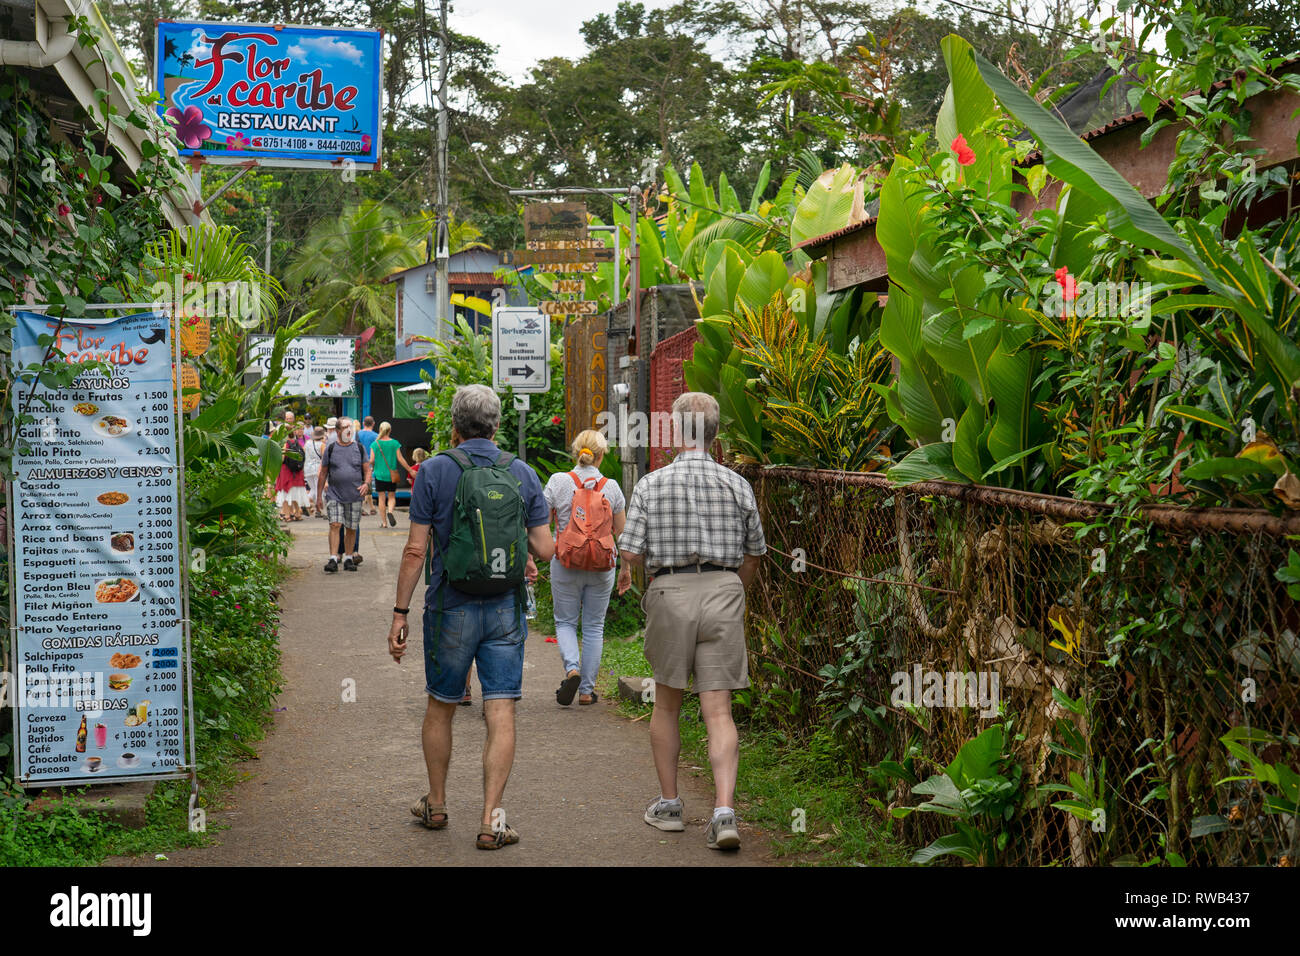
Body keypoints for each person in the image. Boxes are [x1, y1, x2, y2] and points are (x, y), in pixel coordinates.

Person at [388, 384, 554, 850]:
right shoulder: (521, 473)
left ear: (455, 426)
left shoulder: (434, 471)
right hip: (504, 607)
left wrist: (400, 613)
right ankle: (490, 820)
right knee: (500, 710)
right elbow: (544, 547)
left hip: (450, 607)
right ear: (497, 424)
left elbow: (416, 548)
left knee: (441, 705)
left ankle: (437, 805)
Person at [617, 392, 766, 852]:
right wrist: (730, 586)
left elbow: (631, 553)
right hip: (724, 590)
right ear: (716, 433)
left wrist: (657, 575)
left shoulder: (651, 484)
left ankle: (670, 806)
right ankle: (724, 812)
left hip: (670, 592)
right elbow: (755, 553)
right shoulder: (737, 484)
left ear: (677, 432)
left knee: (666, 705)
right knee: (718, 710)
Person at [543, 429, 625, 706]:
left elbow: (542, 522)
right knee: (594, 626)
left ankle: (572, 669)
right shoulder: (611, 487)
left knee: (565, 622)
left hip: (566, 561)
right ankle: (587, 692)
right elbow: (621, 532)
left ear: (576, 452)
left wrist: (538, 555)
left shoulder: (558, 481)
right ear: (601, 456)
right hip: (602, 565)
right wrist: (625, 569)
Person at [319, 416, 371, 572]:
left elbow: (367, 469)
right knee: (335, 524)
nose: (349, 430)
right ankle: (333, 558)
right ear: (338, 430)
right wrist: (318, 496)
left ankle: (348, 557)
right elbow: (323, 473)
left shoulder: (359, 448)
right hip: (334, 494)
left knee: (351, 527)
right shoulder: (331, 448)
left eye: (351, 427)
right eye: (345, 427)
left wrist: (366, 484)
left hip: (354, 495)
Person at [371, 421, 414, 529]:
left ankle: (384, 523)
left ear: (380, 430)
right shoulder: (395, 443)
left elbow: (371, 460)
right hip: (391, 475)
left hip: (379, 475)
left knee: (381, 498)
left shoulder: (375, 444)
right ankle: (390, 511)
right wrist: (410, 470)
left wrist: (373, 465)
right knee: (391, 496)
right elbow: (400, 459)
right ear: (389, 430)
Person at [275, 428, 308, 521]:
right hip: (297, 472)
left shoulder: (285, 444)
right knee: (295, 493)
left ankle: (287, 515)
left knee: (285, 494)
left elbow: (281, 459)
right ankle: (297, 513)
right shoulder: (298, 443)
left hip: (286, 471)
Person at [358, 416, 380, 515]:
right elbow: (378, 451)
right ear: (373, 424)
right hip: (369, 462)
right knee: (367, 484)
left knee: (361, 483)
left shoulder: (357, 434)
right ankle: (362, 507)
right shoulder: (376, 436)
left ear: (363, 423)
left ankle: (371, 507)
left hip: (357, 461)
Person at [304, 425, 327, 518]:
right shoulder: (322, 445)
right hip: (318, 469)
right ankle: (323, 511)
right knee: (320, 490)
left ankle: (309, 504)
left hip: (308, 469)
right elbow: (324, 458)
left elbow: (303, 452)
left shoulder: (307, 443)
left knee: (313, 489)